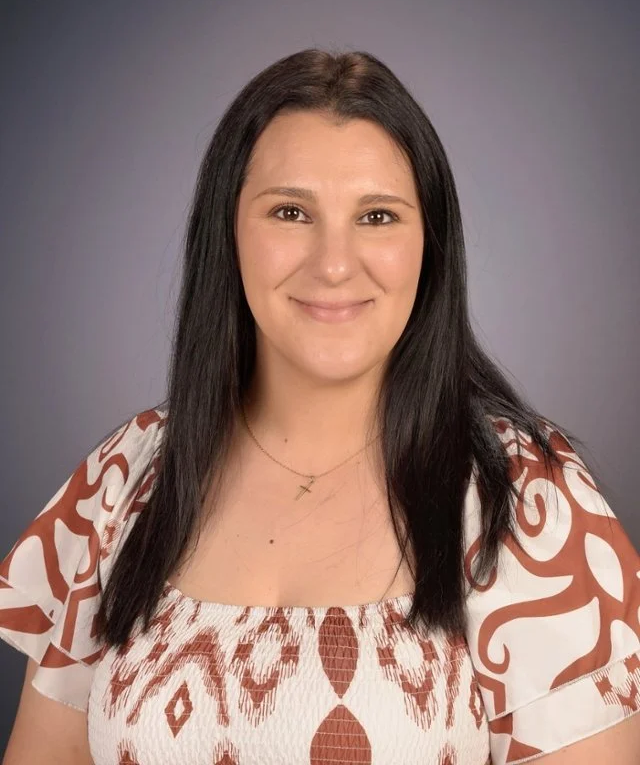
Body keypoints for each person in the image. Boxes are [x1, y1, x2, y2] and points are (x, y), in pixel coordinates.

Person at [1, 48, 639, 765]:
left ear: (429, 244)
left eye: (377, 216)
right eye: (290, 211)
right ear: (228, 231)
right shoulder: (126, 479)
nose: (334, 262)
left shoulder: (526, 502)